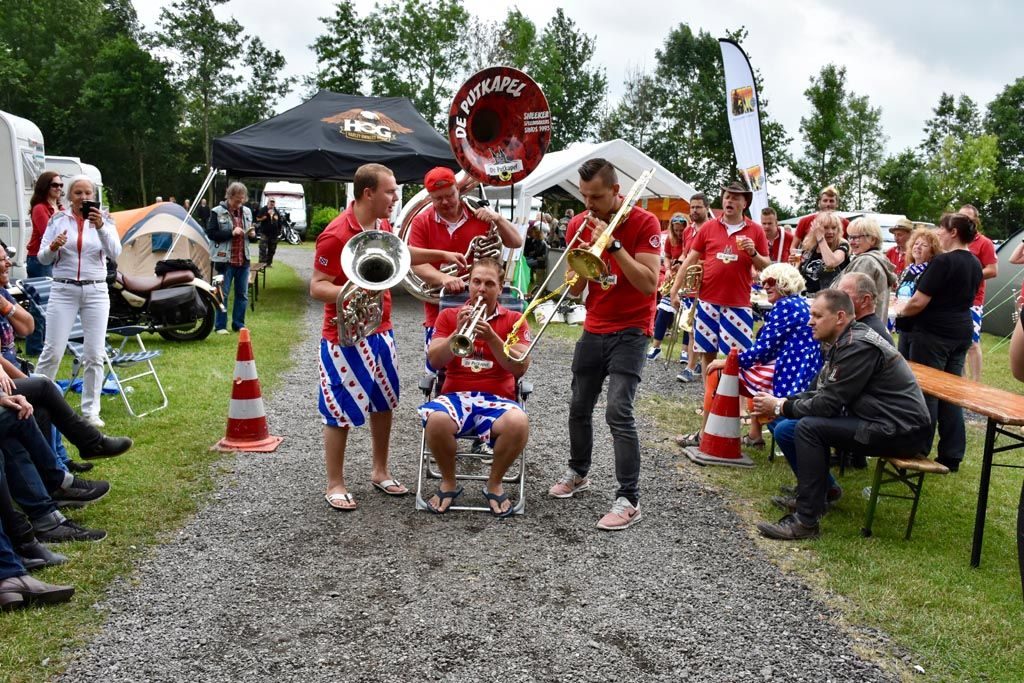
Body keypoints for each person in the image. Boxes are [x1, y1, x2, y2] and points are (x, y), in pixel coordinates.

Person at [312, 163, 455, 510]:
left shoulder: (383, 226)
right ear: (368, 193)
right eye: (390, 191)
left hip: (382, 332)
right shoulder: (335, 234)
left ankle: (380, 471)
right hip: (344, 337)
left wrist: (441, 255)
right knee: (338, 409)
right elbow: (317, 286)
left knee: (384, 403)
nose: (395, 197)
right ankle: (335, 483)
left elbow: (403, 255)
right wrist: (355, 289)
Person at [752, 290, 932, 540]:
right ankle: (825, 492)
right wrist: (783, 404)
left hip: (901, 431)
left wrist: (780, 406)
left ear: (839, 317)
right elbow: (821, 392)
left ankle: (805, 522)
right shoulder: (844, 340)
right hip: (881, 420)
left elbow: (828, 405)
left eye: (816, 315)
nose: (809, 321)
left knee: (807, 428)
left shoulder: (857, 345)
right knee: (788, 427)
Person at [547, 158, 661, 531]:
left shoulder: (645, 223)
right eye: (584, 197)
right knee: (579, 406)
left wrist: (611, 246)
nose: (588, 205)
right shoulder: (579, 224)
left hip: (632, 329)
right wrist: (576, 274)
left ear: (616, 191)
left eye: (596, 197)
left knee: (618, 411)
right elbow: (577, 286)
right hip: (595, 326)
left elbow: (648, 284)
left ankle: (629, 499)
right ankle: (579, 473)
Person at [419, 258, 531, 516]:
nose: (481, 289)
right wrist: (455, 332)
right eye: (476, 282)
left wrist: (492, 337)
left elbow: (520, 367)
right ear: (469, 284)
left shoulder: (515, 319)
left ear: (500, 288)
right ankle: (448, 482)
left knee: (519, 423)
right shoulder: (448, 315)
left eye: (489, 283)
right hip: (455, 397)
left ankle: (494, 483)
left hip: (498, 400)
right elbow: (434, 360)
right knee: (435, 420)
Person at [689, 263, 822, 450]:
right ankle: (754, 435)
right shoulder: (799, 303)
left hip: (789, 373)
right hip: (801, 370)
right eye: (762, 282)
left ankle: (704, 434)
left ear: (784, 282)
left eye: (770, 282)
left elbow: (761, 350)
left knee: (717, 373)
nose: (765, 286)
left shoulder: (785, 306)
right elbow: (766, 349)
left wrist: (727, 362)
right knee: (755, 374)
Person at [408, 167, 522, 375]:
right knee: (440, 370)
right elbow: (416, 264)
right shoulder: (421, 221)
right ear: (430, 197)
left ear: (457, 189)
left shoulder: (479, 214)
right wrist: (443, 278)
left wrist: (497, 219)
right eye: (438, 198)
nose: (445, 202)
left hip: (486, 306)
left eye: (450, 195)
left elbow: (516, 241)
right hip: (440, 308)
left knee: (487, 365)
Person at [892, 213, 983, 472]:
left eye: (941, 229)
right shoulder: (975, 262)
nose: (939, 234)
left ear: (953, 232)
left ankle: (918, 450)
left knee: (927, 394)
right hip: (960, 333)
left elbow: (919, 301)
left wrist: (896, 313)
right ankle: (952, 454)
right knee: (951, 395)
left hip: (933, 335)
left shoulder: (943, 261)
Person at [35, 175, 121, 428]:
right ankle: (36, 402)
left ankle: (91, 411)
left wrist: (101, 227)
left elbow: (115, 253)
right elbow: (42, 258)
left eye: (88, 194)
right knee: (52, 350)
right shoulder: (58, 220)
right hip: (63, 290)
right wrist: (53, 246)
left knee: (94, 354)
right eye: (78, 193)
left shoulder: (105, 220)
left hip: (95, 291)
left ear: (94, 196)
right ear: (69, 196)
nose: (83, 198)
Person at [670, 181, 770, 391]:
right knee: (707, 352)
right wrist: (674, 289)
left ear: (745, 203)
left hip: (738, 303)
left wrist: (753, 253)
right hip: (707, 301)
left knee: (739, 356)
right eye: (726, 196)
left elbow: (766, 267)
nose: (729, 200)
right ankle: (710, 398)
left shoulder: (756, 230)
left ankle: (740, 404)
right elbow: (688, 260)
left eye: (735, 197)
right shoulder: (709, 226)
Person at [206, 182, 257, 335]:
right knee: (222, 293)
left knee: (242, 294)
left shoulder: (247, 211)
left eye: (242, 200)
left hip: (243, 260)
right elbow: (211, 234)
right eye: (236, 200)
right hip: (224, 261)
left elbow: (251, 236)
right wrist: (231, 232)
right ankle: (220, 326)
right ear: (229, 196)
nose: (239, 204)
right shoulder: (217, 212)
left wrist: (253, 236)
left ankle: (238, 324)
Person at [673, 193, 711, 378]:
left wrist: (699, 264)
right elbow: (685, 254)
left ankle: (690, 367)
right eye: (692, 207)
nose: (694, 211)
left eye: (698, 207)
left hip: (707, 284)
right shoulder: (688, 231)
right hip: (690, 284)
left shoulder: (712, 228)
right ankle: (695, 364)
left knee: (697, 327)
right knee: (690, 326)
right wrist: (679, 264)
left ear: (706, 208)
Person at [26, 172, 64, 355]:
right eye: (54, 185)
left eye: (61, 186)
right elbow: (46, 234)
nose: (58, 189)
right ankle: (35, 347)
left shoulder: (60, 207)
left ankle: (50, 344)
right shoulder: (40, 208)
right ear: (45, 187)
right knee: (39, 303)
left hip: (55, 259)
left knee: (52, 304)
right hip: (38, 259)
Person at [959, 204, 998, 383]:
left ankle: (975, 383)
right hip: (953, 299)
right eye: (961, 217)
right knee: (956, 342)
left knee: (972, 343)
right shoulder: (954, 240)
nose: (965, 221)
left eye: (968, 218)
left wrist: (969, 272)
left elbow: (993, 270)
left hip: (973, 300)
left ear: (976, 221)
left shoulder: (984, 242)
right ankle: (961, 381)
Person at [833, 216, 897, 322]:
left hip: (859, 329)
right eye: (850, 237)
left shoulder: (866, 262)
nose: (852, 242)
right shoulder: (876, 259)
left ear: (872, 239)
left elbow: (852, 300)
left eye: (856, 238)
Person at [646, 212, 691, 361]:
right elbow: (667, 256)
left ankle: (685, 352)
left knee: (687, 317)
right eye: (676, 230)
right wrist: (667, 269)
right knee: (664, 312)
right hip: (673, 278)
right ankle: (656, 347)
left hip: (688, 279)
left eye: (681, 230)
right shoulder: (669, 240)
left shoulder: (691, 238)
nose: (678, 233)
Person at [894, 227, 943, 357]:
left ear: (932, 252)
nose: (918, 247)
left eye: (924, 245)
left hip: (921, 330)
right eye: (916, 244)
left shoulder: (930, 272)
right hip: (904, 325)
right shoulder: (907, 270)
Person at [797, 211, 850, 294]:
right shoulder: (809, 245)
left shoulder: (842, 244)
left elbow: (831, 262)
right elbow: (800, 272)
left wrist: (820, 238)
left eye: (834, 228)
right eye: (825, 228)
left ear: (838, 229)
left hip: (830, 298)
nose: (830, 232)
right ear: (816, 229)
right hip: (806, 297)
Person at [837, 272, 893, 345]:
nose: (836, 299)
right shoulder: (868, 326)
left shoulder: (865, 335)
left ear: (864, 300)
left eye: (844, 294)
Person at [522, 224, 548, 296]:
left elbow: (540, 254)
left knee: (526, 262)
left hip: (540, 261)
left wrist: (533, 254)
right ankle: (530, 278)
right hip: (535, 258)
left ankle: (528, 277)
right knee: (525, 260)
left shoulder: (542, 243)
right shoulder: (535, 241)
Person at [255, 198, 282, 267]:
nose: (272, 203)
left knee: (272, 249)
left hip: (274, 234)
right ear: (268, 202)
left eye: (273, 202)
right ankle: (262, 263)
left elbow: (279, 222)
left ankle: (269, 263)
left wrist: (279, 230)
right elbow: (257, 218)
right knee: (263, 248)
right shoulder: (263, 209)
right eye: (271, 202)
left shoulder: (276, 211)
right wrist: (265, 216)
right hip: (265, 233)